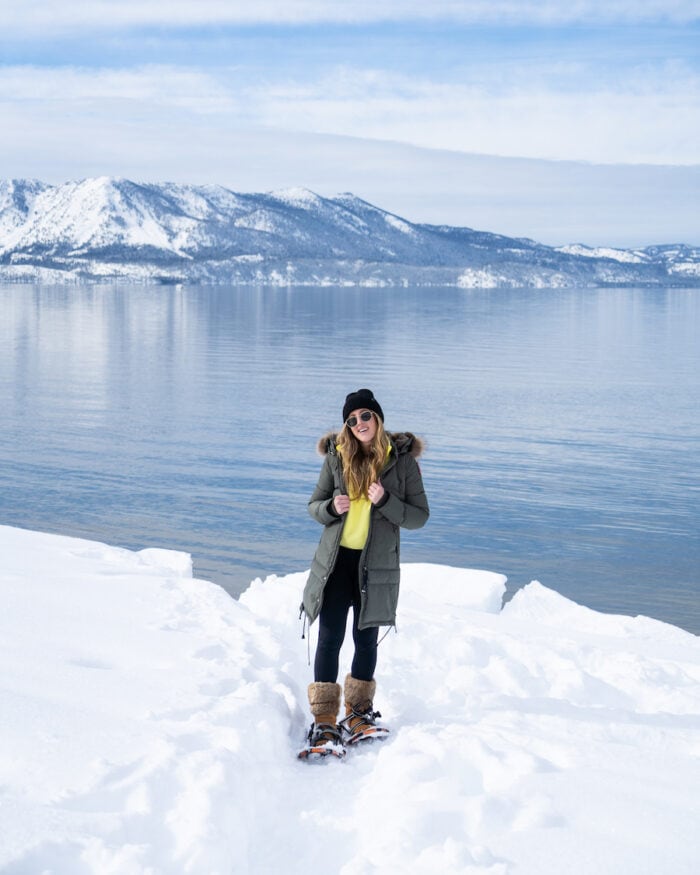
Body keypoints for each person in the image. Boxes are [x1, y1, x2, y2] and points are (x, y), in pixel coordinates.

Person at [298, 388, 429, 759]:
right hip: (336, 563)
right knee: (329, 638)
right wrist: (330, 507)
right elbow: (313, 506)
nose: (359, 424)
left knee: (365, 638)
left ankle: (358, 713)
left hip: (377, 566)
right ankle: (324, 718)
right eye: (352, 420)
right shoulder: (337, 459)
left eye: (365, 417)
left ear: (378, 418)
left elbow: (420, 516)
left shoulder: (400, 462)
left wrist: (386, 501)